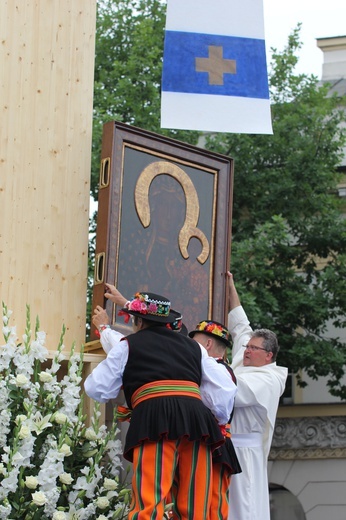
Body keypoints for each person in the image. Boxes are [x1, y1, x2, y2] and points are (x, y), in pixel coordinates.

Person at [84, 286, 238, 520]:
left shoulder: (129, 345)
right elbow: (224, 389)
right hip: (197, 422)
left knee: (150, 498)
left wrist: (131, 386)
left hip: (154, 419)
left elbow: (97, 388)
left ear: (138, 321)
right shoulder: (193, 347)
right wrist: (214, 416)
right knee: (196, 502)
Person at [226, 272, 288, 520]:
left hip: (245, 453)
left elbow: (233, 392)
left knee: (245, 509)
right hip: (226, 445)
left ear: (269, 355)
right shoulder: (247, 355)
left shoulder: (270, 379)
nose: (247, 350)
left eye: (253, 348)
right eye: (247, 346)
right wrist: (229, 283)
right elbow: (240, 324)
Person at [188, 320, 242, 520]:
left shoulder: (213, 367)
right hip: (210, 440)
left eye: (194, 341)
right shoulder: (212, 367)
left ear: (207, 345)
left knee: (212, 503)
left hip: (215, 441)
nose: (190, 345)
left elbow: (220, 410)